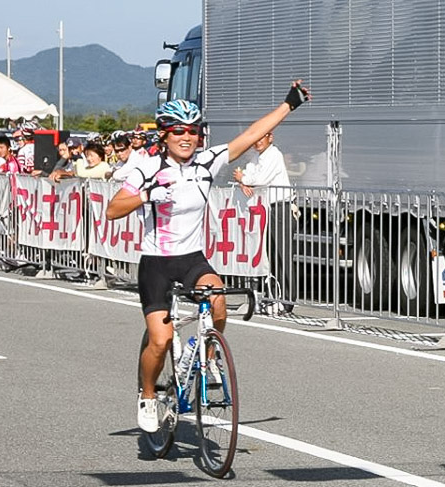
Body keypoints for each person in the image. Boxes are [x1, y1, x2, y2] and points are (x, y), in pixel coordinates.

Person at [106, 80, 310, 432]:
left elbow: (251, 135)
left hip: (191, 258)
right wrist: (147, 195)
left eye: (194, 131)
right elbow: (112, 210)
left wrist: (289, 104)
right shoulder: (146, 169)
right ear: (165, 135)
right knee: (161, 339)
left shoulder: (206, 161)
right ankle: (148, 393)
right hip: (156, 261)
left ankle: (207, 356)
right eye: (179, 131)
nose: (187, 137)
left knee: (217, 297)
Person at [232, 131, 291, 200]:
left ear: (270, 138)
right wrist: (243, 184)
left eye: (260, 138)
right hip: (264, 203)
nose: (257, 142)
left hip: (279, 203)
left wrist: (242, 179)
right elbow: (247, 173)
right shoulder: (256, 156)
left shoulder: (274, 154)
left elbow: (261, 180)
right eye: (254, 139)